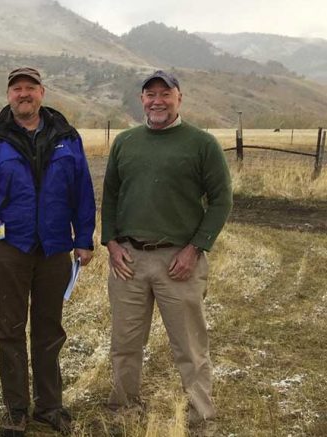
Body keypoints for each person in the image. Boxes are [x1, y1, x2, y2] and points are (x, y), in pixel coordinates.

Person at [0, 67, 96, 436]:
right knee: (9, 328)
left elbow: (82, 191)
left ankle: (50, 407)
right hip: (12, 246)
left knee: (49, 328)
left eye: (30, 88)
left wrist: (83, 238)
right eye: (17, 88)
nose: (24, 94)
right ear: (8, 95)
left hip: (55, 247)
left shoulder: (67, 138)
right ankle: (16, 411)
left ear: (42, 92)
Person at [101, 70, 232, 429]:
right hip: (128, 259)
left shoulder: (202, 144)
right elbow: (110, 195)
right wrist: (110, 242)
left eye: (165, 93)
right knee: (125, 342)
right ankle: (124, 407)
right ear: (142, 100)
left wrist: (195, 249)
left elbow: (222, 201)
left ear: (179, 98)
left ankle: (200, 414)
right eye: (150, 94)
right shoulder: (126, 142)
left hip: (179, 260)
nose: (157, 100)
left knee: (189, 346)